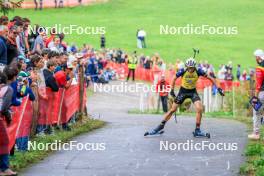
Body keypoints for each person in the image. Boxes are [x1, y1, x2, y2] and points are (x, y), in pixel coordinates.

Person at [146, 58, 225, 136]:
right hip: (183, 92)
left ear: (194, 67)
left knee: (199, 108)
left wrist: (219, 88)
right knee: (172, 110)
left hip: (192, 92)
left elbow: (211, 78)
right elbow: (174, 78)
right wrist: (172, 90)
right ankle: (159, 127)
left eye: (191, 68)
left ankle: (197, 130)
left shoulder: (198, 71)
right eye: (188, 68)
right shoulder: (183, 70)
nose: (190, 69)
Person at [0, 68, 18, 176]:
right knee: (4, 142)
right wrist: (9, 117)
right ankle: (4, 167)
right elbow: (4, 107)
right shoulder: (8, 89)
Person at [248, 49, 264, 140]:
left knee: (256, 112)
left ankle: (256, 133)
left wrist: (255, 96)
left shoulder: (259, 68)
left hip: (262, 93)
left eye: (255, 57)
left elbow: (258, 84)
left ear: (258, 57)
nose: (255, 58)